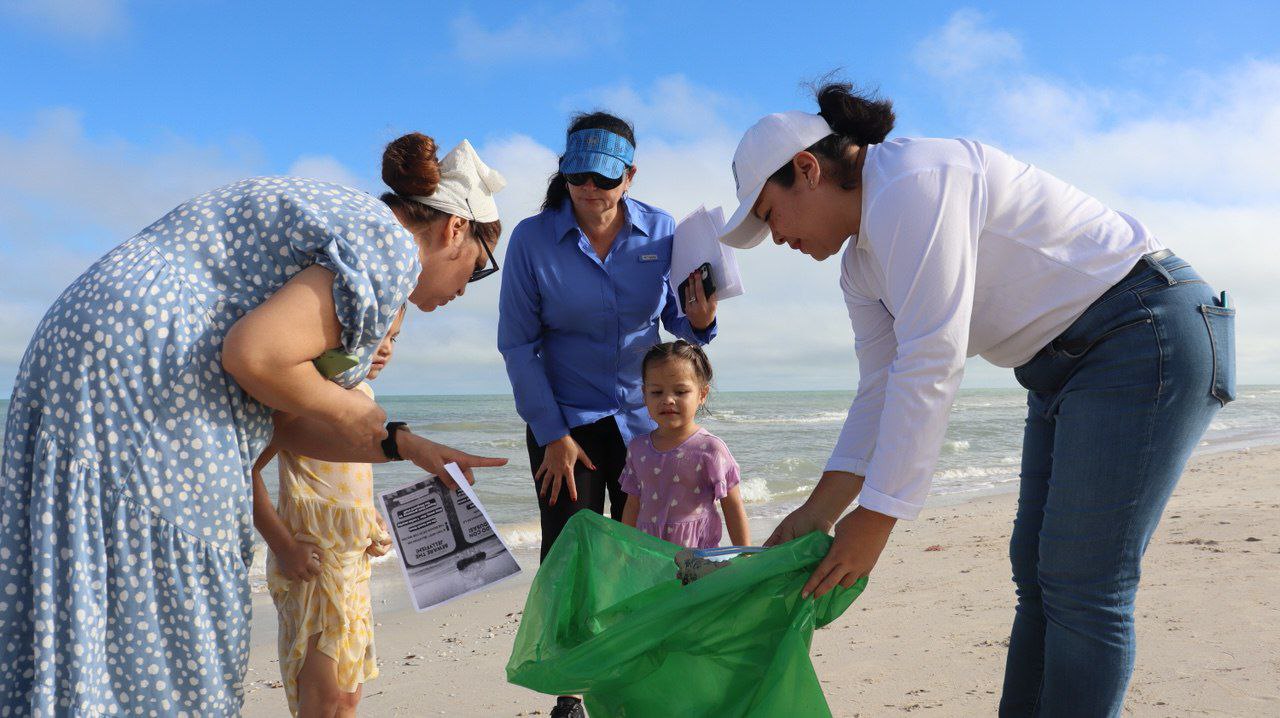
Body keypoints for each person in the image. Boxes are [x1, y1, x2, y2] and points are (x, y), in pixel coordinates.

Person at [720, 81, 1235, 717]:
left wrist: (876, 521)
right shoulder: (859, 267)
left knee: (1082, 584)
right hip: (1060, 367)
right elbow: (880, 388)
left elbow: (932, 357)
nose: (776, 238)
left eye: (770, 215)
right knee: (1038, 577)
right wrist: (821, 509)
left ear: (807, 169)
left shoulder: (914, 177)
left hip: (1143, 328)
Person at [0, 132, 509, 715]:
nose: (466, 287)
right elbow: (254, 356)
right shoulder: (391, 246)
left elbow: (279, 419)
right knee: (177, 610)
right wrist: (353, 407)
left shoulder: (346, 223)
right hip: (150, 369)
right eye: (478, 268)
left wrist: (404, 445)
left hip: (88, 347)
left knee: (98, 586)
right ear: (454, 229)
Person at [497, 111, 719, 718]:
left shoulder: (662, 231)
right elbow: (518, 345)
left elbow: (679, 324)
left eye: (603, 177)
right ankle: (570, 692)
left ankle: (643, 670)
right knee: (570, 553)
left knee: (647, 549)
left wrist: (701, 324)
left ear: (629, 175)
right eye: (577, 177)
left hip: (649, 424)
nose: (590, 190)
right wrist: (553, 435)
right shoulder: (530, 239)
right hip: (564, 423)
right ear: (564, 174)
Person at [251, 305, 405, 717]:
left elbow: (352, 480)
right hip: (311, 564)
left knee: (350, 694)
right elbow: (245, 472)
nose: (386, 348)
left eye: (394, 338)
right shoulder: (305, 394)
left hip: (353, 567)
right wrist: (284, 548)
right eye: (378, 335)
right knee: (321, 697)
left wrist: (370, 524)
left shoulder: (366, 399)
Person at [621, 341, 748, 548]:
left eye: (680, 392)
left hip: (695, 555)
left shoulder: (710, 448)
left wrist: (745, 553)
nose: (668, 400)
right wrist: (624, 549)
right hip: (649, 554)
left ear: (702, 395)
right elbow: (632, 504)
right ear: (644, 395)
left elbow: (732, 506)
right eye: (656, 392)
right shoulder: (638, 448)